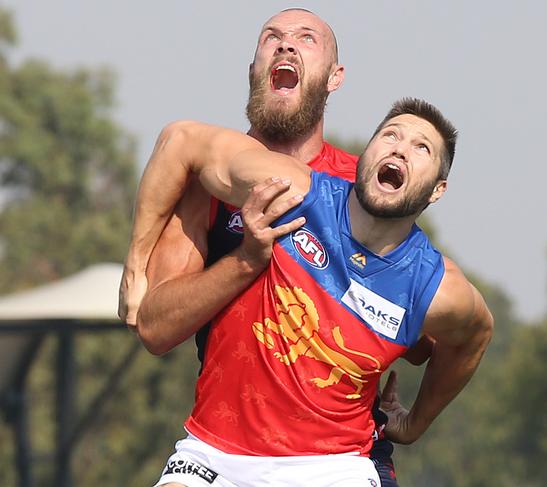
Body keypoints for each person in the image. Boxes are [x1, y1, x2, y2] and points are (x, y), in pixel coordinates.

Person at [119, 8, 435, 486]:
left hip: (342, 457)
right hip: (216, 450)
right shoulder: (207, 183)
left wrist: (410, 415)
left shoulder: (363, 187)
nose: (286, 45)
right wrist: (246, 261)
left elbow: (425, 339)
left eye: (306, 39)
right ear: (254, 69)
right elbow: (155, 329)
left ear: (335, 77)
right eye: (273, 38)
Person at [122, 97, 494, 486]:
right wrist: (135, 263)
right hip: (214, 454)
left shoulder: (435, 286)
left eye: (422, 148)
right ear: (365, 156)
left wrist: (414, 422)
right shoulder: (294, 190)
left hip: (332, 467)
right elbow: (180, 139)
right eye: (390, 135)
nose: (400, 147)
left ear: (437, 190)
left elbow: (475, 336)